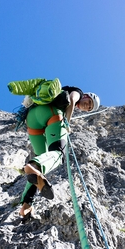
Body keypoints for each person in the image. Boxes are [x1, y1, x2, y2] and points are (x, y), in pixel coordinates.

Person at [19, 85, 100, 217]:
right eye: (89, 102)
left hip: (32, 118)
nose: (87, 106)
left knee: (41, 160)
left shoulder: (59, 92)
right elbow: (73, 100)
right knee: (58, 154)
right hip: (51, 114)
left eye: (89, 108)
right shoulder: (78, 92)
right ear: (86, 96)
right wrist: (66, 123)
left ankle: (26, 205)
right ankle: (34, 166)